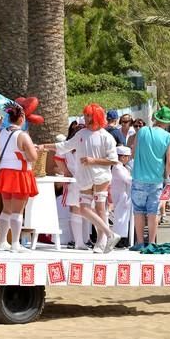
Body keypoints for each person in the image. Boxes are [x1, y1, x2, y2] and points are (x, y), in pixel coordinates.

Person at [42, 103, 121, 253]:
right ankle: (109, 234)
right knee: (85, 209)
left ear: (96, 116)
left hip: (101, 177)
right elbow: (64, 146)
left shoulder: (106, 137)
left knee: (99, 209)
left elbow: (113, 160)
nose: (86, 117)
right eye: (85, 115)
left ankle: (101, 242)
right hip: (85, 178)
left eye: (89, 115)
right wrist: (44, 146)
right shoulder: (81, 134)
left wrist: (93, 160)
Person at [0, 102, 39, 253]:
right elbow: (33, 157)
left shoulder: (2, 133)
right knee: (18, 211)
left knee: (6, 209)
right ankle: (15, 243)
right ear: (21, 118)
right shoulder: (22, 135)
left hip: (5, 173)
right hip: (20, 174)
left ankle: (2, 242)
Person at [130, 106, 170, 250]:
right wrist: (166, 175)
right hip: (156, 179)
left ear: (155, 119)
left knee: (138, 211)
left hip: (138, 177)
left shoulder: (142, 131)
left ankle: (138, 242)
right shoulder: (168, 137)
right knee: (153, 212)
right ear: (167, 122)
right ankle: (151, 243)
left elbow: (133, 151)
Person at [53, 122, 88, 250]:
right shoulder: (79, 144)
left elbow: (57, 157)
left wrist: (66, 171)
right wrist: (66, 172)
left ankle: (81, 240)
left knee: (79, 210)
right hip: (79, 180)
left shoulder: (69, 145)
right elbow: (57, 157)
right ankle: (79, 241)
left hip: (77, 179)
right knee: (80, 209)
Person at [110, 146, 132, 248]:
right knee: (120, 217)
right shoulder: (117, 167)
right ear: (122, 157)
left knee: (123, 217)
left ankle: (122, 238)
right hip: (119, 195)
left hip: (123, 194)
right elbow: (127, 179)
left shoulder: (121, 167)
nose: (128, 159)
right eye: (127, 156)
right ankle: (119, 239)